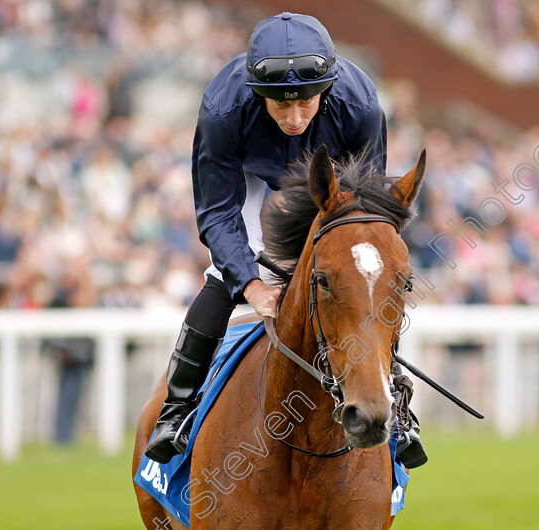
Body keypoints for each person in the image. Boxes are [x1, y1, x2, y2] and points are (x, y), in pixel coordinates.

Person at [144, 12, 426, 468]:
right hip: (252, 179)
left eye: (306, 104)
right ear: (259, 95)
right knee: (222, 276)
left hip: (329, 181)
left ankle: (396, 403)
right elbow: (217, 212)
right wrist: (251, 285)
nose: (294, 118)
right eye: (280, 106)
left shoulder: (363, 106)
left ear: (327, 91)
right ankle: (175, 412)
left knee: (362, 279)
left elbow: (367, 213)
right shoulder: (223, 107)